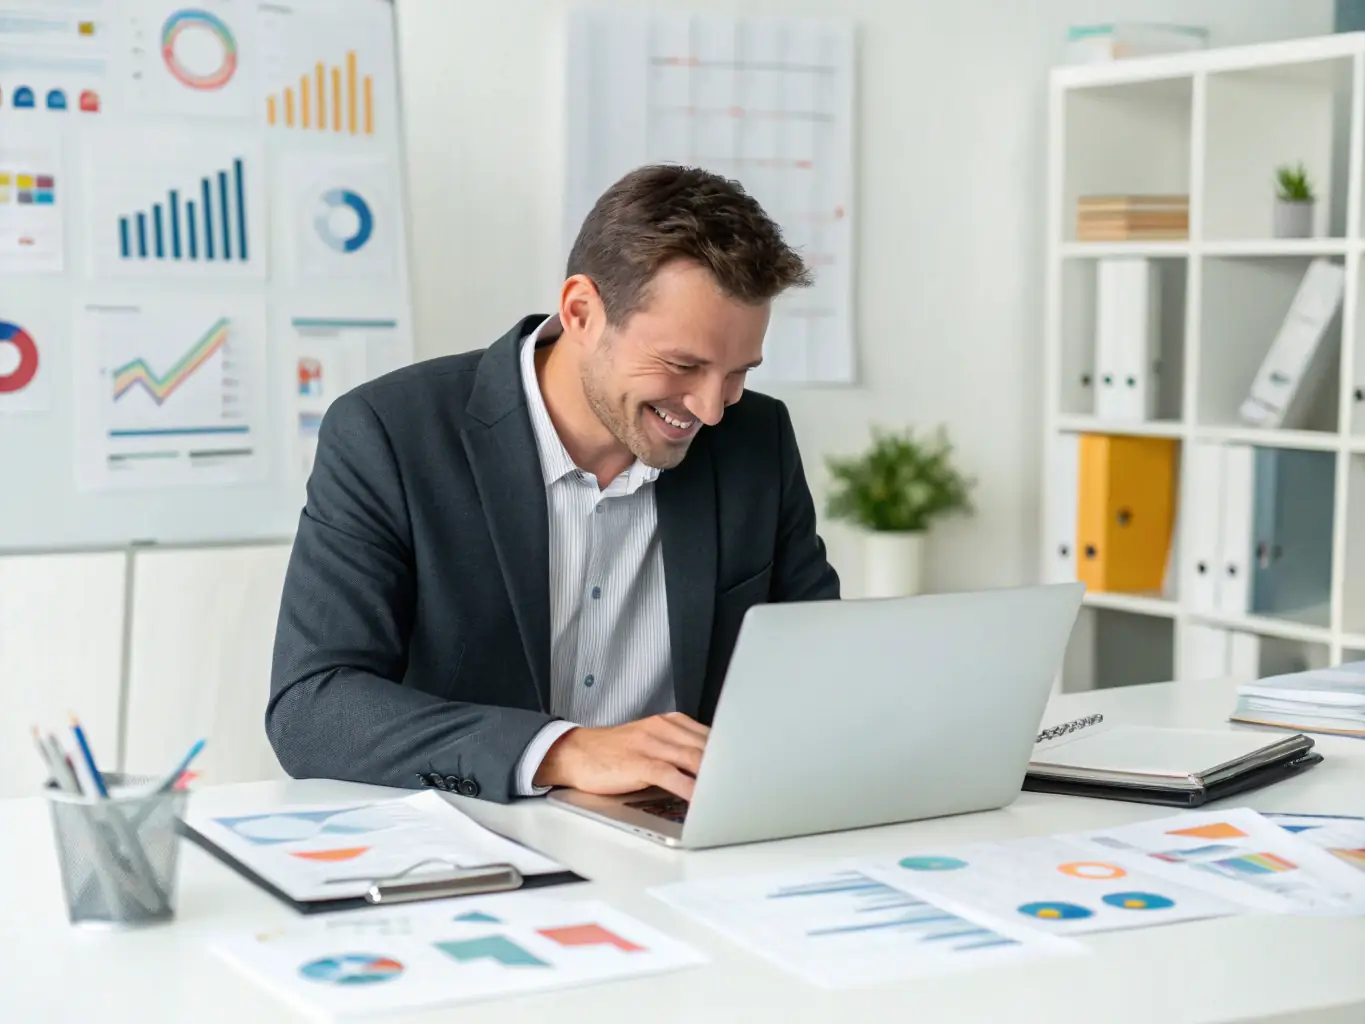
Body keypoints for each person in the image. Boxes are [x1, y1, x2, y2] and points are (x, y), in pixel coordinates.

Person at [267, 164, 840, 805]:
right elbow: (311, 709)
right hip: (480, 831)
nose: (711, 408)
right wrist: (562, 751)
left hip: (684, 836)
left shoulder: (754, 439)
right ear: (581, 311)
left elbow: (817, 667)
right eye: (684, 365)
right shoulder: (390, 434)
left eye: (738, 372)